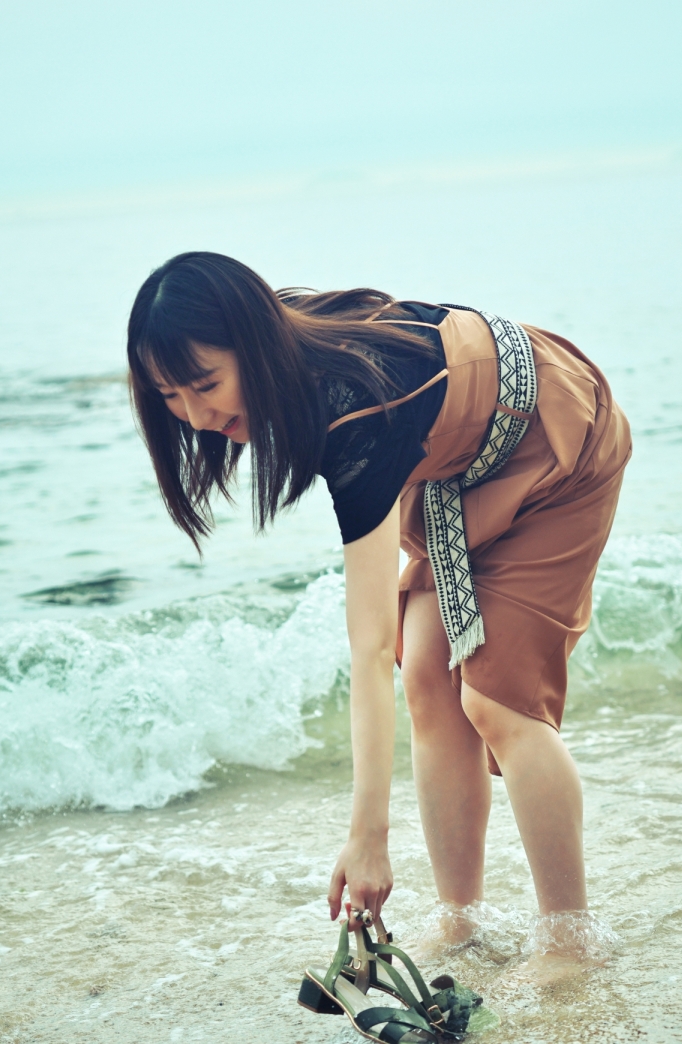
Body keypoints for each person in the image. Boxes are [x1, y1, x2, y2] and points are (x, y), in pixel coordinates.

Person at [126, 252, 630, 980]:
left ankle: (569, 937)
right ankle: (461, 920)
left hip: (555, 439)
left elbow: (366, 646)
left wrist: (368, 839)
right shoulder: (294, 359)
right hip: (455, 466)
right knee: (425, 672)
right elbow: (388, 652)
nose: (198, 416)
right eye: (170, 396)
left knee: (496, 700)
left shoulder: (356, 409)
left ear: (255, 343)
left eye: (206, 384)